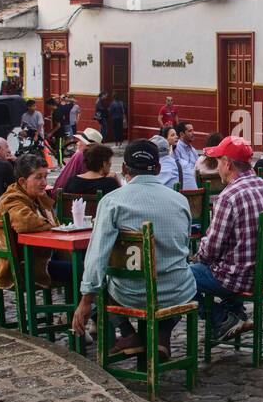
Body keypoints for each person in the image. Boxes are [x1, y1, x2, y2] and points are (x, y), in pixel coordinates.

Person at [72, 140, 198, 358]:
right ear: (158, 168)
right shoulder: (180, 201)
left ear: (124, 169)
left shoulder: (112, 202)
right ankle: (162, 333)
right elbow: (184, 246)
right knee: (191, 280)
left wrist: (85, 300)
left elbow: (97, 257)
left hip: (132, 293)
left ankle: (128, 332)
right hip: (176, 290)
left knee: (100, 284)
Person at [192, 136, 263, 343]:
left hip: (237, 278)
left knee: (179, 279)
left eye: (217, 162)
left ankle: (221, 318)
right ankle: (235, 312)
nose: (217, 168)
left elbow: (211, 249)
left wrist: (196, 257)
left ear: (227, 164)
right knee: (220, 262)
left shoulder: (228, 197)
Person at [0, 154, 76, 295]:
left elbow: (53, 222)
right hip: (26, 266)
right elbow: (26, 223)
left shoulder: (37, 197)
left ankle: (77, 313)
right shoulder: (12, 199)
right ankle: (86, 314)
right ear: (23, 181)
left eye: (45, 176)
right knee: (81, 270)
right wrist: (50, 225)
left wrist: (50, 224)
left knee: (88, 266)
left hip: (44, 257)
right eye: (38, 177)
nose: (44, 182)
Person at [52, 127, 105, 193]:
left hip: (63, 197)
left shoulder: (80, 155)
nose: (77, 143)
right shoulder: (85, 157)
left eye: (80, 141)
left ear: (88, 146)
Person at [173, 122, 200, 190]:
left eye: (193, 130)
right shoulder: (176, 149)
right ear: (182, 134)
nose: (193, 133)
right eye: (190, 131)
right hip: (184, 185)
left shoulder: (193, 150)